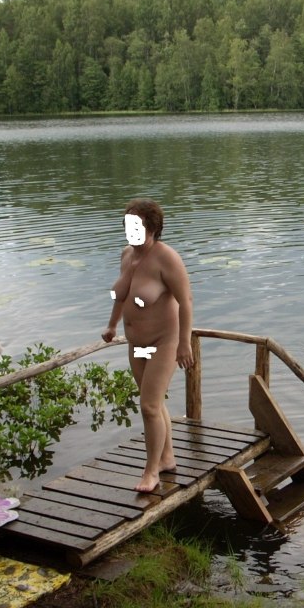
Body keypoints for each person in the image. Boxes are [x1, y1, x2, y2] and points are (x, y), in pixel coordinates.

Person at [101, 199, 194, 493]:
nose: (130, 230)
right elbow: (122, 295)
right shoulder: (127, 255)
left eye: (136, 225)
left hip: (163, 343)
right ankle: (167, 458)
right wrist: (112, 325)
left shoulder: (167, 258)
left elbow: (186, 301)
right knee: (154, 403)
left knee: (149, 406)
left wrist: (184, 343)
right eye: (127, 224)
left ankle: (151, 471)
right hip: (136, 345)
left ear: (152, 228)